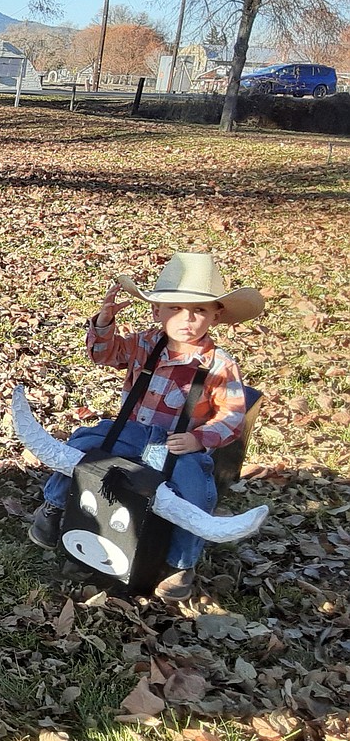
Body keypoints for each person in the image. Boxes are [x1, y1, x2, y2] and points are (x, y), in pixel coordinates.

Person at [27, 252, 265, 601]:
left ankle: (182, 561)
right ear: (157, 311)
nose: (187, 319)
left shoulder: (221, 365)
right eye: (175, 309)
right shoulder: (145, 343)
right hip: (130, 431)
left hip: (177, 443)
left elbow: (231, 416)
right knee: (81, 446)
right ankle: (54, 505)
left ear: (217, 314)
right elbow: (104, 354)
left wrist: (199, 439)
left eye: (200, 310)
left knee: (195, 489)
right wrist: (105, 323)